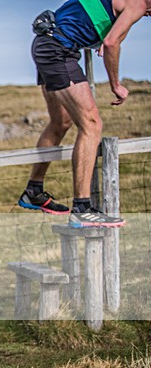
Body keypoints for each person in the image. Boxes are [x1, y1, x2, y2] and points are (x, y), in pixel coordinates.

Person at [19, 0, 150, 228]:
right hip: (58, 50)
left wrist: (102, 37)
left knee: (61, 122)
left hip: (44, 41)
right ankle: (82, 208)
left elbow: (100, 27)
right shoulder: (138, 4)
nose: (148, 16)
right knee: (91, 125)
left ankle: (33, 191)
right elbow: (111, 44)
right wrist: (116, 84)